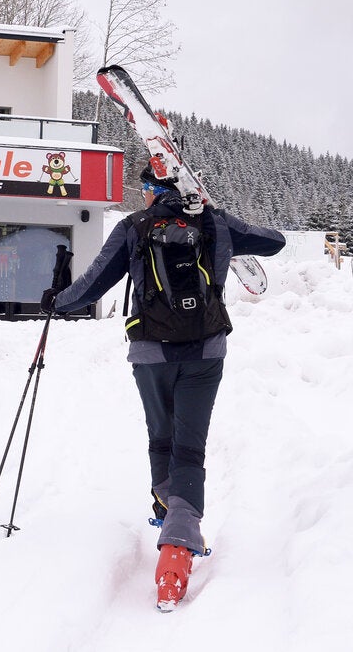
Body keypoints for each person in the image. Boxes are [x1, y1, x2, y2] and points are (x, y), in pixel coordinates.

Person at [40, 164, 285, 610]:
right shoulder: (213, 223)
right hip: (206, 351)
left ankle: (165, 505)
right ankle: (178, 547)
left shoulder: (135, 226)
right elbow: (275, 241)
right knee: (190, 447)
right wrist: (214, 214)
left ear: (153, 191)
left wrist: (56, 301)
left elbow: (93, 285)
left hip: (151, 352)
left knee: (162, 436)